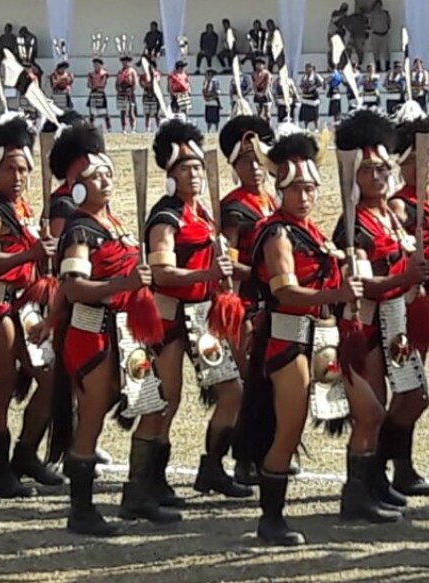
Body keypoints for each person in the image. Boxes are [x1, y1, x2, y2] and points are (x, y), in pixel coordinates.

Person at [241, 130, 359, 545]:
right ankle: (270, 519)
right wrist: (335, 295)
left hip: (318, 337)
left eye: (310, 188)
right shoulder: (278, 233)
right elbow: (285, 291)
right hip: (288, 339)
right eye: (296, 188)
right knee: (287, 430)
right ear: (281, 189)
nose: (305, 196)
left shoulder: (310, 230)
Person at [49, 122, 161, 535]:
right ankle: (80, 510)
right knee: (92, 418)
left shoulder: (114, 224)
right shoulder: (79, 230)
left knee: (152, 404)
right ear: (77, 186)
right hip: (92, 333)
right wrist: (122, 284)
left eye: (108, 173)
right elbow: (74, 287)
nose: (106, 180)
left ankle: (138, 493)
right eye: (96, 176)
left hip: (125, 334)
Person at [140, 120, 253, 514]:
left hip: (202, 317)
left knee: (232, 391)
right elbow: (161, 273)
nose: (195, 174)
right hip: (169, 320)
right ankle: (151, 478)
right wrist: (207, 275)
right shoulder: (165, 217)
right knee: (167, 400)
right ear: (170, 174)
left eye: (198, 167)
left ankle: (213, 466)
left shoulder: (202, 213)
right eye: (186, 168)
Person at [333, 109, 429, 522]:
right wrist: (405, 276)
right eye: (368, 170)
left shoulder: (389, 214)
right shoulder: (352, 224)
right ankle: (358, 491)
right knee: (371, 410)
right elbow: (362, 284)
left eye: (382, 169)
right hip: (365, 325)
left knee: (413, 396)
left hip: (394, 320)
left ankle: (377, 477)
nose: (377, 177)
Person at [0, 114, 62, 499]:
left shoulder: (19, 207)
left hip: (22, 308)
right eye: (10, 168)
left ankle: (25, 453)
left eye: (23, 169)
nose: (18, 176)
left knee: (50, 381)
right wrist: (30, 255)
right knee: (1, 390)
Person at [386, 103, 429, 495]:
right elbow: (398, 252)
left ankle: (400, 467)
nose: (428, 168)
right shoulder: (400, 204)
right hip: (408, 305)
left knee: (414, 389)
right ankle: (389, 463)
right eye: (420, 162)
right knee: (412, 392)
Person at [218, 116, 276, 485]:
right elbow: (228, 264)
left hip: (276, 303)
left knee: (272, 383)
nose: (254, 168)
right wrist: (264, 275)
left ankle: (267, 449)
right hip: (247, 304)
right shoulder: (233, 208)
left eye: (259, 160)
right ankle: (242, 457)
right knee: (249, 382)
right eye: (245, 161)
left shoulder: (274, 201)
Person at [87, 58, 111, 132]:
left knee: (105, 113)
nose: (96, 66)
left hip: (100, 93)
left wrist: (95, 86)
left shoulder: (104, 74)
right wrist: (93, 86)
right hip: (93, 93)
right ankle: (91, 127)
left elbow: (102, 84)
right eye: (95, 64)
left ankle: (109, 129)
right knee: (92, 113)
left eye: (97, 64)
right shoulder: (91, 74)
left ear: (101, 65)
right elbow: (89, 84)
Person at [116, 55, 137, 134]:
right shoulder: (120, 72)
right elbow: (117, 83)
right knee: (123, 111)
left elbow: (135, 83)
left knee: (131, 111)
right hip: (122, 92)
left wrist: (132, 90)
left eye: (126, 61)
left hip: (130, 92)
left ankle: (133, 128)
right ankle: (123, 128)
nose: (125, 63)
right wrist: (118, 90)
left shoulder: (132, 71)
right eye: (123, 61)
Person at [140, 59, 162, 132]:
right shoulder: (144, 75)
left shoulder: (157, 74)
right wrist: (148, 85)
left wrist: (148, 84)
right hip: (147, 94)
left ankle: (159, 128)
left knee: (157, 113)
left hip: (155, 95)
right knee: (147, 113)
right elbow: (142, 83)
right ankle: (148, 128)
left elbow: (156, 83)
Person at [299, 63, 323, 130]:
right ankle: (306, 127)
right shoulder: (304, 77)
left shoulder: (316, 76)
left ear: (312, 68)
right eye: (306, 68)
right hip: (305, 98)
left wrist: (313, 87)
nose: (307, 69)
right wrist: (303, 88)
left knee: (315, 115)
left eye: (308, 68)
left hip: (313, 99)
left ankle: (316, 128)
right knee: (305, 115)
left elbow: (322, 83)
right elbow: (301, 84)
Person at [369, 0, 391, 72]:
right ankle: (377, 67)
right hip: (376, 34)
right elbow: (370, 24)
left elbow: (389, 23)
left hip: (384, 34)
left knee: (386, 51)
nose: (378, 7)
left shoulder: (385, 13)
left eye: (379, 5)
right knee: (376, 52)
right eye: (377, 5)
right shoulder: (372, 15)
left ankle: (387, 66)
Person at [327, 3, 349, 68]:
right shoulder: (336, 13)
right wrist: (342, 16)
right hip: (332, 34)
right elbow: (334, 20)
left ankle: (341, 64)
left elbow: (345, 26)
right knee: (332, 50)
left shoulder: (345, 17)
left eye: (345, 9)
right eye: (343, 9)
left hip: (339, 35)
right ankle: (331, 65)